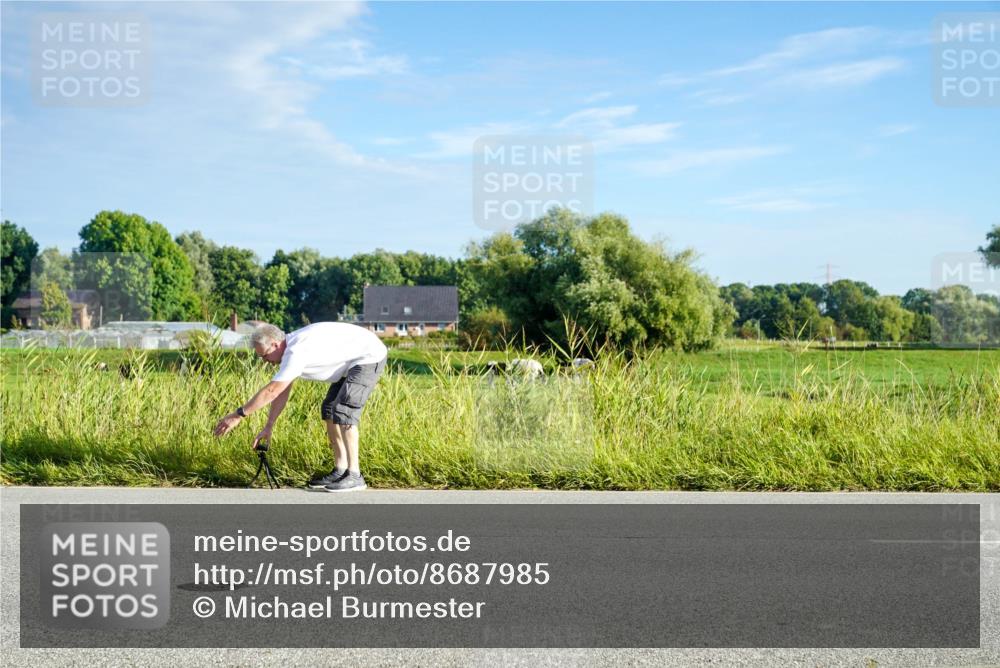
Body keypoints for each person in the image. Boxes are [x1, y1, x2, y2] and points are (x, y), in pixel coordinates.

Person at [212, 322, 387, 492]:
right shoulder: (290, 350)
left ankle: (355, 475)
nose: (264, 361)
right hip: (351, 360)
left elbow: (272, 391)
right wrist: (269, 426)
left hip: (368, 356)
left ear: (275, 344)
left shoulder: (295, 351)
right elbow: (281, 391)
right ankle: (340, 470)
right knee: (329, 409)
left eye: (264, 355)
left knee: (343, 409)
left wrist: (238, 415)